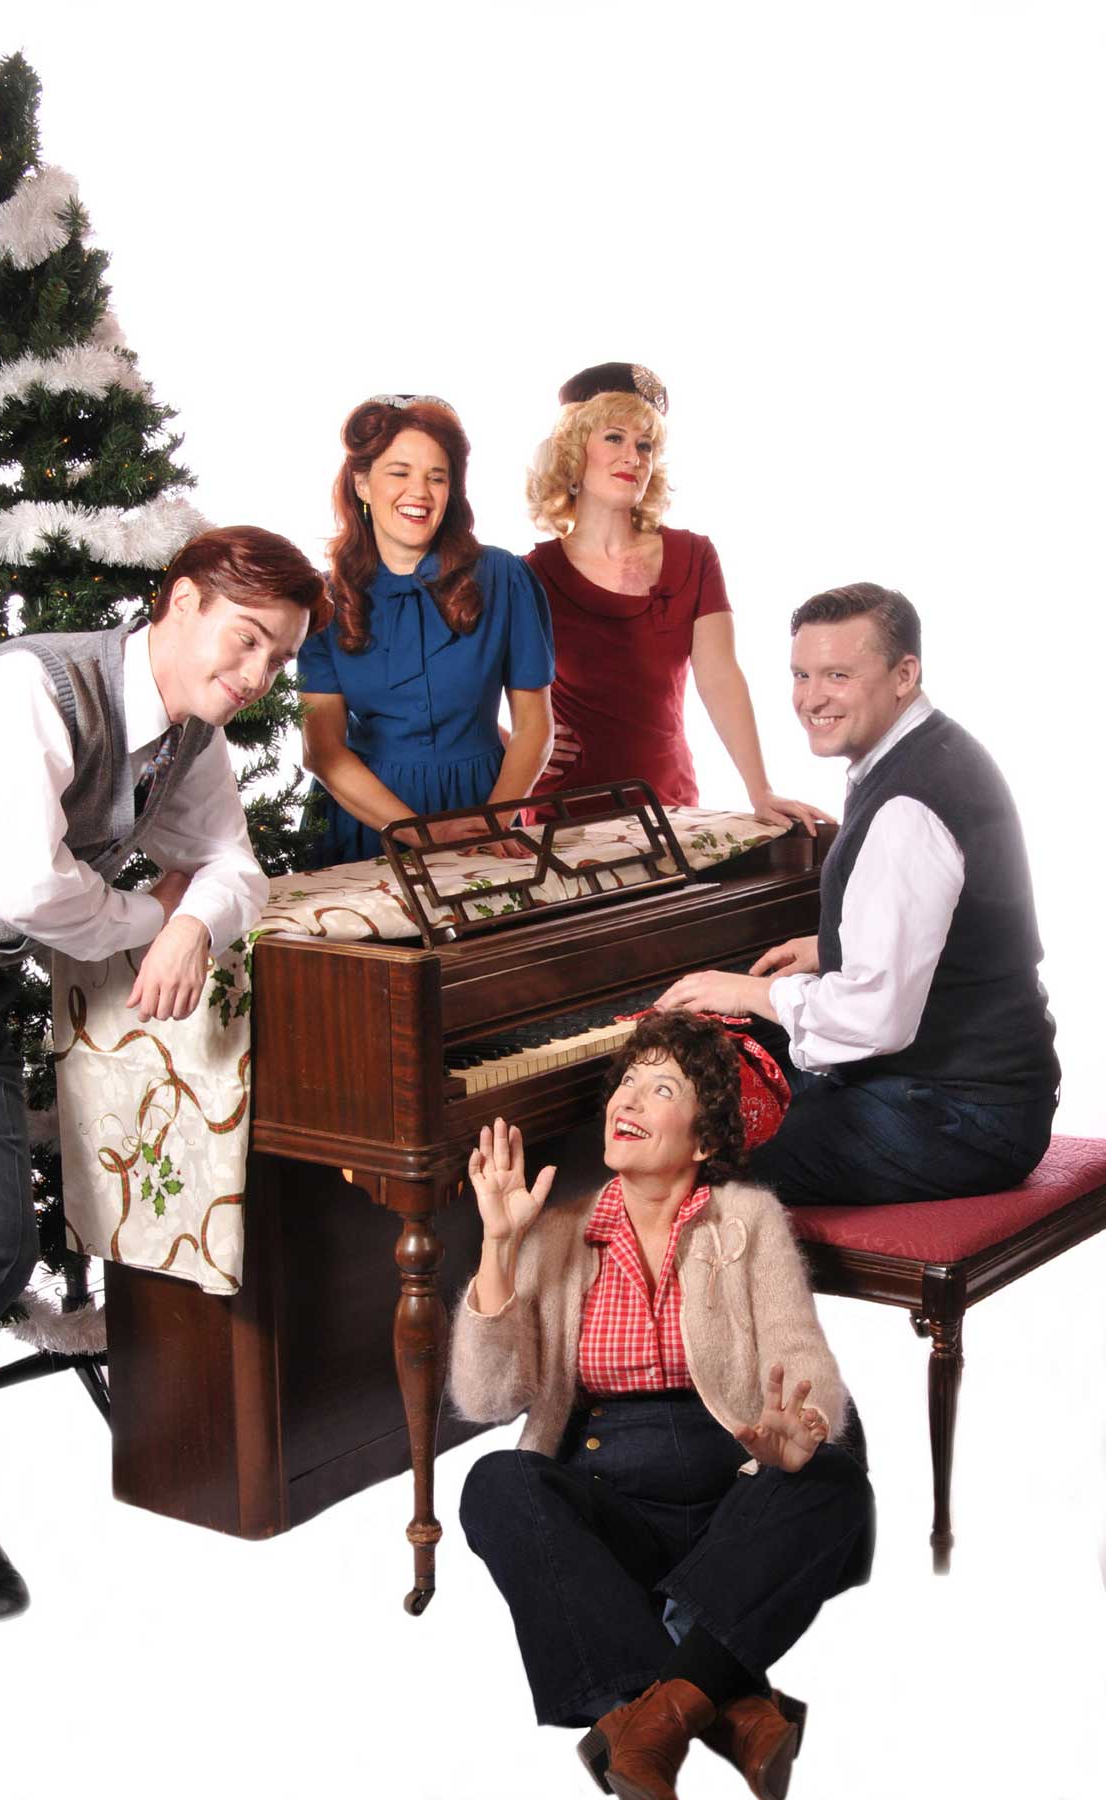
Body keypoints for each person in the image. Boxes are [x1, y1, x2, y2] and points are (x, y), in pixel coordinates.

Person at [0, 524, 327, 1620]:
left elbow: (235, 864)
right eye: (242, 643)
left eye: (277, 659)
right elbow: (26, 889)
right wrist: (158, 914)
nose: (254, 677)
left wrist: (195, 929)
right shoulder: (27, 689)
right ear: (179, 602)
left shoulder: (189, 733)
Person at [453, 1011, 873, 1800]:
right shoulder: (560, 1233)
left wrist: (800, 1429)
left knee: (838, 1480)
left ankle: (640, 1726)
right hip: (610, 1501)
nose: (628, 1100)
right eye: (626, 1082)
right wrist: (499, 1247)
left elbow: (802, 1355)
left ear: (706, 1138)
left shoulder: (748, 1222)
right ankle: (729, 1709)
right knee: (494, 1484)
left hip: (732, 1497)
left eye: (661, 1087)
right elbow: (486, 1398)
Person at [658, 582, 1060, 1206]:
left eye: (838, 675)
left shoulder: (907, 804)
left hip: (967, 1120)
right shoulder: (928, 750)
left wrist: (750, 991)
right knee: (726, 1084)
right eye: (800, 674)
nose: (811, 699)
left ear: (905, 674)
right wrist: (831, 946)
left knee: (686, 1157)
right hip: (971, 1091)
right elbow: (948, 921)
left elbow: (875, 1018)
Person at [523, 362, 828, 833]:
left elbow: (720, 677)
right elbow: (467, 686)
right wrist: (514, 741)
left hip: (669, 809)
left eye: (644, 445)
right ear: (571, 452)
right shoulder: (531, 574)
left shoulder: (694, 556)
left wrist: (759, 789)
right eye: (614, 438)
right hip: (560, 819)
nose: (634, 457)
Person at [298, 394, 554, 865]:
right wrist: (425, 833)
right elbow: (324, 752)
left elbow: (535, 725)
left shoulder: (503, 576)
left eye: (436, 477)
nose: (419, 491)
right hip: (366, 818)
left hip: (486, 810)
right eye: (399, 473)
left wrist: (493, 822)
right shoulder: (326, 601)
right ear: (362, 484)